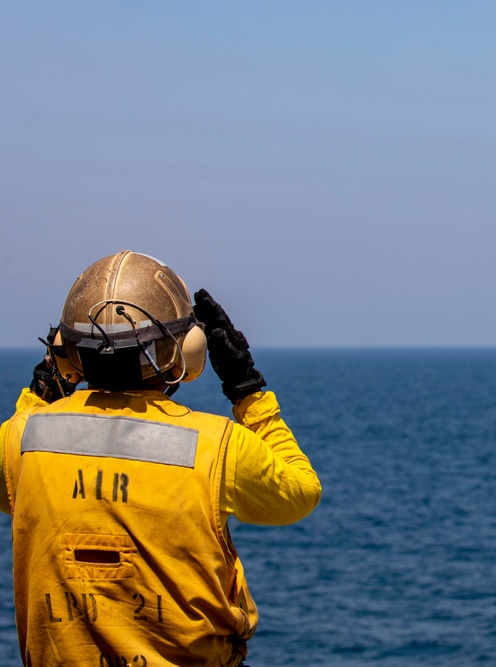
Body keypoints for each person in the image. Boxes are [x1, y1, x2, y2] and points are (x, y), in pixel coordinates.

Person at [0, 250, 322, 666]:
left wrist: (45, 385)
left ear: (67, 352)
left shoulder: (22, 439)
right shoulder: (218, 446)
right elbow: (300, 493)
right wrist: (247, 389)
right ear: (186, 351)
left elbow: (14, 477)